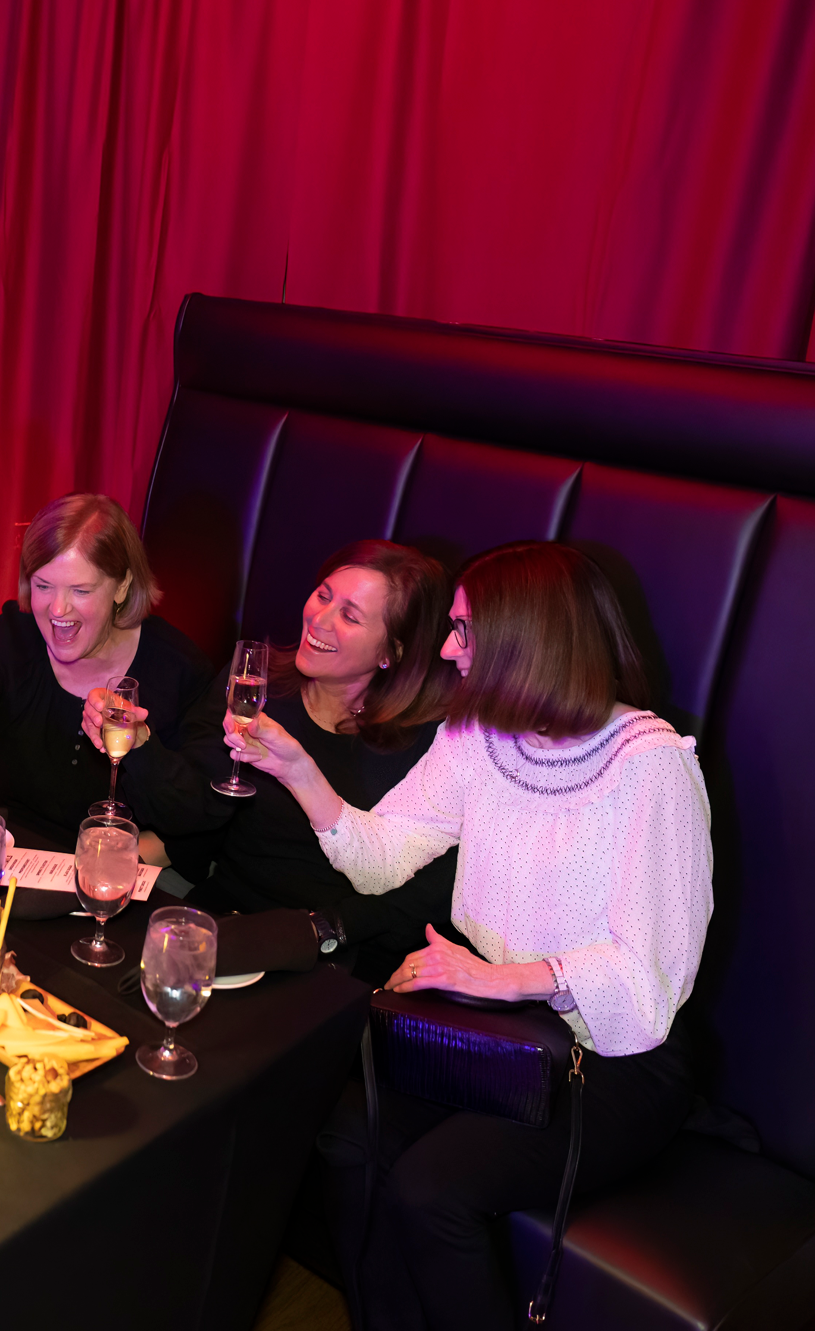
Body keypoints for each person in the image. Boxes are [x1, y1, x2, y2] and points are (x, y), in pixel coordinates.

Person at [228, 540, 711, 1330]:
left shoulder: (649, 766)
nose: (447, 650)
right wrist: (297, 770)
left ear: (529, 638)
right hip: (502, 1036)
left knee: (432, 1190)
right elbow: (380, 861)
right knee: (348, 1140)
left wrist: (500, 976)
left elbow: (647, 988)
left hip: (615, 1060)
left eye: (463, 631)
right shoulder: (476, 736)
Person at [0, 493, 215, 860]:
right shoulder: (16, 638)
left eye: (80, 590)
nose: (57, 609)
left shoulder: (178, 667)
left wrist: (141, 750)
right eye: (43, 585)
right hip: (10, 851)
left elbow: (198, 815)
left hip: (124, 866)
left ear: (123, 586)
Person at [175, 540, 459, 982]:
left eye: (350, 615)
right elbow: (193, 809)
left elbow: (425, 894)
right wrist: (140, 746)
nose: (319, 619)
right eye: (324, 595)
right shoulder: (254, 685)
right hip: (228, 922)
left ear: (392, 653)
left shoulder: (427, 745)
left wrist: (324, 931)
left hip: (336, 954)